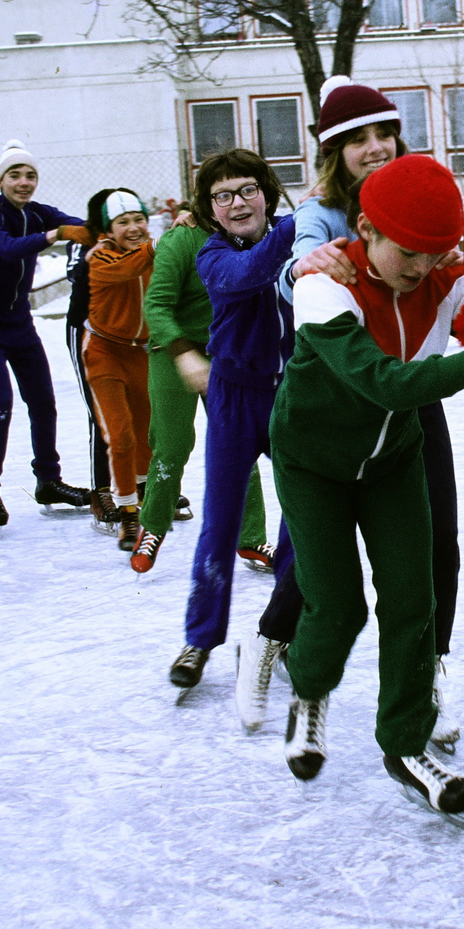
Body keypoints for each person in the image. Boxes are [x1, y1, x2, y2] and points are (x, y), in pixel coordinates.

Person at [272, 153, 464, 815]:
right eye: (410, 252)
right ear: (367, 227)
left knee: (414, 598)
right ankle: (309, 692)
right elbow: (381, 380)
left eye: (437, 253)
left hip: (391, 460)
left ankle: (405, 743)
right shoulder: (328, 286)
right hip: (313, 461)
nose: (424, 268)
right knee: (337, 606)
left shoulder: (449, 273)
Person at [249, 75, 464, 748]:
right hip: (339, 396)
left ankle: (426, 674)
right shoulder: (324, 214)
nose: (375, 147)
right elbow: (293, 274)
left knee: (436, 548)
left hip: (410, 392)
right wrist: (305, 265)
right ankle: (272, 646)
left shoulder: (419, 190)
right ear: (333, 152)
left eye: (384, 133)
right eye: (356, 139)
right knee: (319, 569)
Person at [168, 149, 341, 691]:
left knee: (302, 519)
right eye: (222, 196)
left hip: (292, 396)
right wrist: (299, 221)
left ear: (266, 192)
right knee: (220, 520)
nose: (237, 202)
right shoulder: (214, 255)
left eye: (246, 189)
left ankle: (283, 631)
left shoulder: (299, 237)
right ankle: (199, 639)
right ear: (210, 211)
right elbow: (249, 271)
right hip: (234, 397)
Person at [129, 203, 271, 576]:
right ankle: (153, 526)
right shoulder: (183, 239)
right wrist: (183, 353)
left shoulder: (253, 236)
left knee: (240, 442)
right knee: (172, 445)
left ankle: (250, 535)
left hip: (227, 355)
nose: (236, 204)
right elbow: (156, 306)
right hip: (173, 352)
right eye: (222, 195)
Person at [0, 139, 93, 527]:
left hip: (19, 322)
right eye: (15, 175)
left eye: (30, 175)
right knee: (0, 400)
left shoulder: (38, 212)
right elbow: (6, 249)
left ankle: (48, 481)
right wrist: (55, 236)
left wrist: (118, 220)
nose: (24, 182)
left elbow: (84, 225)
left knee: (42, 400)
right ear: (0, 179)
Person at [80, 189, 156, 552]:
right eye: (123, 222)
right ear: (110, 229)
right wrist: (157, 249)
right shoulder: (102, 256)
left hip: (140, 352)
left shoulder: (151, 252)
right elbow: (129, 268)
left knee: (145, 434)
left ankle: (142, 497)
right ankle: (127, 512)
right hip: (104, 351)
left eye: (139, 219)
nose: (134, 227)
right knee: (121, 436)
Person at [64, 189, 120, 534]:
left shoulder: (138, 240)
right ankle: (102, 493)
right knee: (102, 411)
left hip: (127, 335)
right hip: (87, 332)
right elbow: (80, 274)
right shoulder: (87, 245)